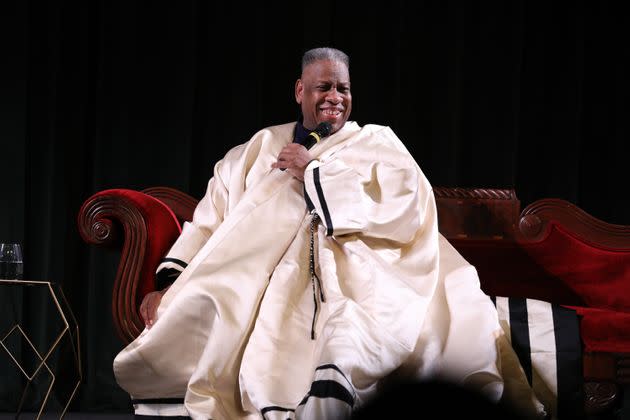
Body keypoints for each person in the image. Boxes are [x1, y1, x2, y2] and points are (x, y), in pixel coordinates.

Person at [113, 47, 546, 420]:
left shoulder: (378, 143)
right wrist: (169, 285)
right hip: (261, 278)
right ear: (301, 91)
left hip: (363, 268)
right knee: (227, 307)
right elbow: (209, 220)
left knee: (364, 328)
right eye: (324, 87)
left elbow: (407, 206)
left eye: (343, 88)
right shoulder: (259, 147)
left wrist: (312, 170)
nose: (335, 98)